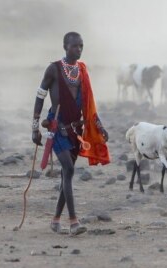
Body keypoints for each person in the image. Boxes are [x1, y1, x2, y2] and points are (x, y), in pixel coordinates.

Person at [32, 31, 110, 234]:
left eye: (81, 46)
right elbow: (40, 97)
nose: (79, 49)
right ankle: (74, 222)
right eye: (75, 46)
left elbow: (89, 104)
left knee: (67, 174)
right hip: (57, 127)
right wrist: (34, 128)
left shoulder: (82, 71)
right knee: (68, 170)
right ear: (65, 47)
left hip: (76, 131)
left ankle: (55, 220)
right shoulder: (54, 69)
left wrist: (99, 126)